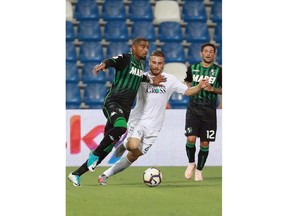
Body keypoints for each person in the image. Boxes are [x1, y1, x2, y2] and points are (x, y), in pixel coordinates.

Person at [97, 50, 209, 185]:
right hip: (138, 120)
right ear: (149, 62)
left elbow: (188, 91)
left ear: (164, 65)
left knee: (134, 155)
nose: (156, 66)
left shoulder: (170, 80)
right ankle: (126, 143)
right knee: (133, 145)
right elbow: (123, 85)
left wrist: (200, 86)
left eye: (159, 63)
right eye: (154, 62)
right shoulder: (140, 77)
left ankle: (105, 174)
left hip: (154, 127)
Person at [68, 37, 166, 187]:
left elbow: (141, 77)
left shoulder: (140, 65)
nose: (146, 49)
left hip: (125, 110)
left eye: (147, 47)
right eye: (143, 47)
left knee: (106, 147)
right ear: (133, 48)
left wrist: (152, 81)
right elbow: (113, 61)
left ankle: (76, 174)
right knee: (121, 128)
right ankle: (93, 154)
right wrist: (104, 65)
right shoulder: (126, 58)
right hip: (112, 102)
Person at [184, 42, 222, 181]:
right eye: (205, 51)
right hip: (193, 108)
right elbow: (187, 82)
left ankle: (199, 170)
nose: (208, 53)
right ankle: (191, 163)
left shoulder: (219, 71)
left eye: (211, 51)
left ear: (214, 54)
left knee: (205, 143)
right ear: (201, 53)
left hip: (209, 110)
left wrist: (214, 89)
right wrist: (195, 88)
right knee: (191, 138)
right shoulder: (192, 68)